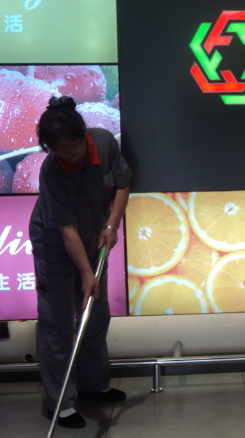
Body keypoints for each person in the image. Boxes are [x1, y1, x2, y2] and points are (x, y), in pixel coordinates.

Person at [29, 96, 132, 428]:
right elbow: (66, 229)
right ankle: (60, 402)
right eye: (56, 151)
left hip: (92, 237)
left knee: (96, 315)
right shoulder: (52, 170)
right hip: (55, 248)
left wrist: (111, 226)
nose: (64, 156)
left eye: (69, 148)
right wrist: (88, 275)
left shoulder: (103, 142)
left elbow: (123, 184)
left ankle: (93, 385)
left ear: (82, 134)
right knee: (58, 323)